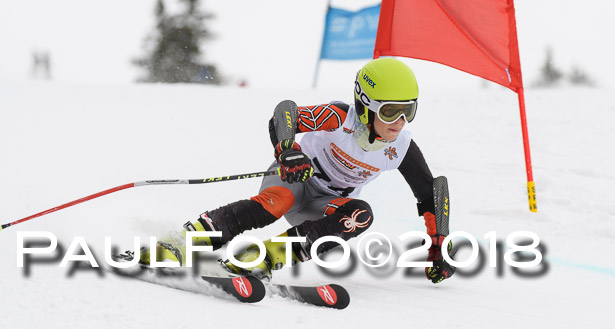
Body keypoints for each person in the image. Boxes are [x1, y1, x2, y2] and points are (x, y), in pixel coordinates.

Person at [144, 57, 455, 284]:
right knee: (276, 203)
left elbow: (430, 192)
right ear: (364, 104)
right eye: (390, 111)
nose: (399, 121)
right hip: (294, 179)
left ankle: (265, 258)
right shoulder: (339, 117)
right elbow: (285, 113)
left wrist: (438, 246)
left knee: (360, 214)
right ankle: (183, 241)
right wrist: (288, 151)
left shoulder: (400, 146)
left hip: (325, 204)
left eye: (408, 110)